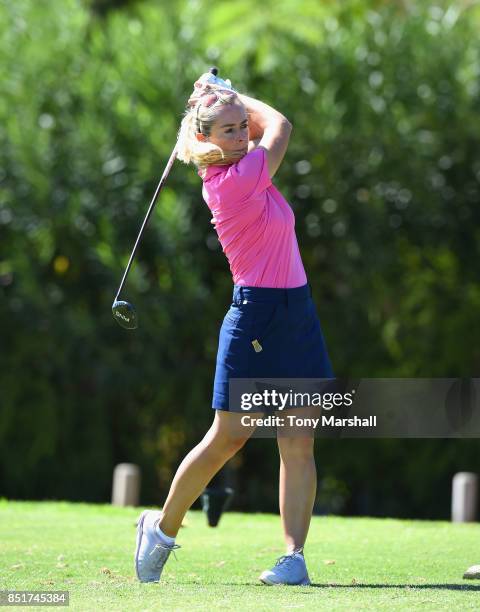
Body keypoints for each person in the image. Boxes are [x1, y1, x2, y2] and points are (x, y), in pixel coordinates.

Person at [134, 75, 334, 586]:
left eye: (243, 128)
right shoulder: (233, 180)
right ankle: (160, 527)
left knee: (299, 437)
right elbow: (282, 125)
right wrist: (232, 94)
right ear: (204, 139)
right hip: (256, 317)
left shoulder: (248, 169)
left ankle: (294, 558)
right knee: (231, 435)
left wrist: (224, 100)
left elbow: (265, 129)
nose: (243, 135)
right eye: (229, 130)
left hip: (297, 311)